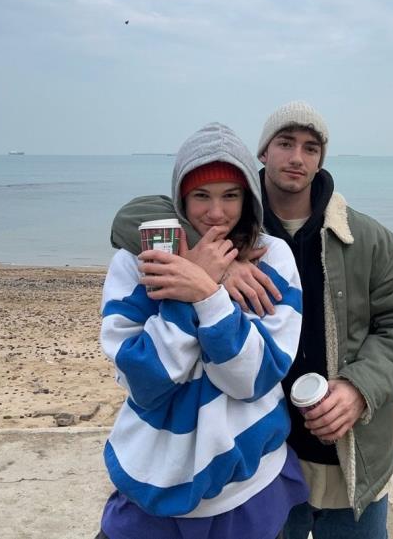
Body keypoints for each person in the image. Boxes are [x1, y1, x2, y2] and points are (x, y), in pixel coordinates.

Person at [111, 103, 393, 539]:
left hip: (346, 446)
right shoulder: (226, 225)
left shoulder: (368, 239)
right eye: (285, 143)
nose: (297, 157)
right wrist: (212, 262)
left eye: (310, 147)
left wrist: (360, 388)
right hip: (266, 454)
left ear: (321, 159)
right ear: (262, 152)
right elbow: (129, 220)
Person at [97, 122, 308, 539]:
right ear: (180, 198)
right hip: (151, 477)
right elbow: (143, 382)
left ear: (248, 197)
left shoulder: (273, 258)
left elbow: (251, 380)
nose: (216, 213)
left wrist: (208, 295)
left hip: (249, 482)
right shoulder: (136, 262)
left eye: (231, 195)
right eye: (200, 196)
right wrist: (192, 285)